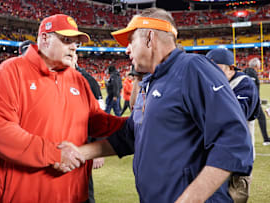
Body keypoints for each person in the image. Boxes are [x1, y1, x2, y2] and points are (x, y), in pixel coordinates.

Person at [58, 8, 253, 202]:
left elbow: (234, 137)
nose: (127, 49)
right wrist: (80, 152)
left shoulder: (192, 68)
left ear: (150, 38)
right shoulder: (151, 81)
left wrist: (190, 199)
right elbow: (130, 136)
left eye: (131, 41)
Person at [0, 14, 126, 202]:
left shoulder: (77, 80)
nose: (74, 46)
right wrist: (55, 153)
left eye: (76, 42)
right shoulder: (11, 71)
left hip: (73, 192)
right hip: (24, 193)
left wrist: (138, 125)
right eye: (67, 40)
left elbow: (97, 121)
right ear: (44, 38)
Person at [206, 48, 260, 203]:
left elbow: (236, 116)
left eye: (216, 68)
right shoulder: (210, 85)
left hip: (238, 158)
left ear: (230, 68)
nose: (211, 73)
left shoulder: (245, 84)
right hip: (212, 158)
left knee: (235, 198)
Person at [72, 54, 105, 203]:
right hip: (58, 148)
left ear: (76, 57)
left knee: (83, 192)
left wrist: (99, 148)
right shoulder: (55, 78)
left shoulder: (88, 80)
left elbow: (100, 114)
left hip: (82, 146)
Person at [243, 58, 270, 146]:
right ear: (256, 65)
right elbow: (251, 88)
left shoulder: (246, 71)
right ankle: (266, 139)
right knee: (260, 118)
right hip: (252, 101)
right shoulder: (251, 73)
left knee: (248, 121)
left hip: (247, 101)